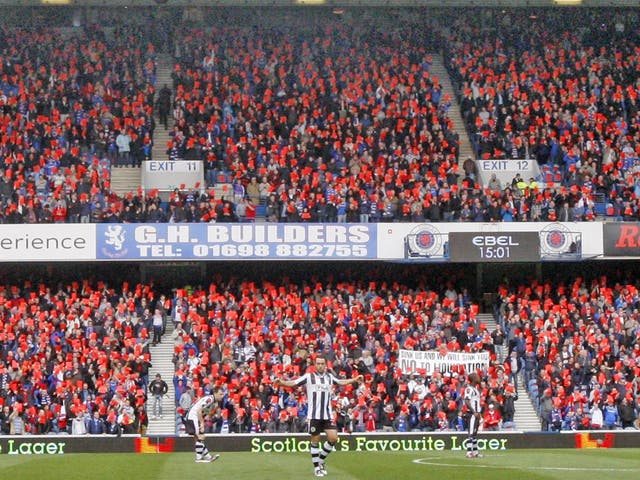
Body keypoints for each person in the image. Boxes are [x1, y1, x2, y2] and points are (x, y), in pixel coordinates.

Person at [274, 354, 363, 477]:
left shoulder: (329, 377)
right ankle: (317, 468)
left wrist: (354, 379)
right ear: (315, 365)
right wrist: (281, 382)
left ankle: (320, 461)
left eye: (322, 364)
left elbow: (341, 382)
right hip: (314, 415)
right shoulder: (309, 377)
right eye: (318, 363)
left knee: (333, 438)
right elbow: (294, 382)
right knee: (315, 441)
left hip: (327, 415)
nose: (320, 366)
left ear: (326, 365)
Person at [184, 388, 224, 463]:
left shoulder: (213, 403)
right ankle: (198, 458)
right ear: (215, 393)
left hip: (194, 417)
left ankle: (207, 456)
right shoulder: (210, 399)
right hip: (193, 416)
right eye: (220, 394)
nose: (222, 396)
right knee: (200, 437)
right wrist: (202, 423)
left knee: (199, 438)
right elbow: (199, 411)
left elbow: (204, 413)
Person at [464, 372, 483, 458]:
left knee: (474, 433)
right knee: (471, 433)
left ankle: (475, 452)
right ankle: (468, 452)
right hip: (472, 414)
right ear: (473, 379)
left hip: (476, 413)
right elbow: (467, 401)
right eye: (477, 376)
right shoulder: (469, 389)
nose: (478, 378)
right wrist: (473, 411)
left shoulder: (475, 389)